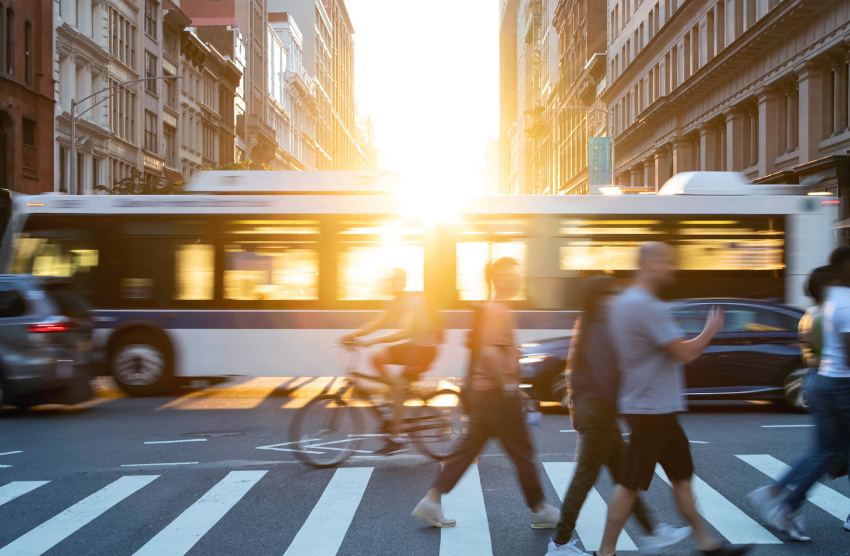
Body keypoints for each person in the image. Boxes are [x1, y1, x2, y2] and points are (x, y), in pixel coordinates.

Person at [584, 242, 750, 556]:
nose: (672, 268)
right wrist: (711, 329)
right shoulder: (645, 305)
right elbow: (685, 352)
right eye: (667, 262)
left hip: (655, 405)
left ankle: (708, 545)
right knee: (630, 484)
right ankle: (605, 552)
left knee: (682, 478)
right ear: (651, 264)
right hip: (650, 408)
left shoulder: (627, 302)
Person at [545, 276, 691, 556]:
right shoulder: (600, 326)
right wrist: (626, 406)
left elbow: (575, 371)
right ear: (601, 297)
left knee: (624, 476)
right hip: (600, 412)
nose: (616, 298)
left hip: (596, 412)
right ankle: (560, 544)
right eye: (611, 293)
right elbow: (604, 376)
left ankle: (653, 530)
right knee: (586, 478)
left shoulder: (589, 322)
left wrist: (579, 408)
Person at [412, 257, 560, 529]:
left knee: (467, 451)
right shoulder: (498, 310)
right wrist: (509, 387)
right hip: (497, 396)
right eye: (510, 275)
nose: (516, 279)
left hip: (486, 394)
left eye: (517, 274)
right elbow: (491, 352)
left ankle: (430, 502)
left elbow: (492, 352)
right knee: (523, 453)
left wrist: (515, 388)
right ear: (498, 279)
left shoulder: (493, 308)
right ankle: (539, 509)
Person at [748, 251, 850, 539]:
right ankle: (782, 499)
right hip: (836, 382)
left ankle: (777, 496)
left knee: (823, 452)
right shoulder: (836, 308)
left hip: (820, 381)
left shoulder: (813, 313)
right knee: (828, 453)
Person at [342, 268, 443, 456]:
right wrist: (353, 335)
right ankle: (396, 388)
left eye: (397, 281)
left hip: (425, 349)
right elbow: (377, 323)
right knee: (377, 358)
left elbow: (405, 332)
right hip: (413, 346)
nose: (393, 285)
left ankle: (397, 439)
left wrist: (372, 341)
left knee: (397, 391)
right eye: (391, 282)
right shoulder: (395, 303)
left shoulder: (413, 300)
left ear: (404, 282)